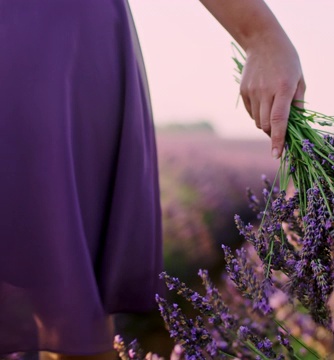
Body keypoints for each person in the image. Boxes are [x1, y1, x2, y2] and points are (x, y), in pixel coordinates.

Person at [0, 0, 305, 358]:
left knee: (71, 294)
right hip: (60, 33)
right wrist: (260, 35)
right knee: (72, 297)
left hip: (52, 35)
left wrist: (261, 35)